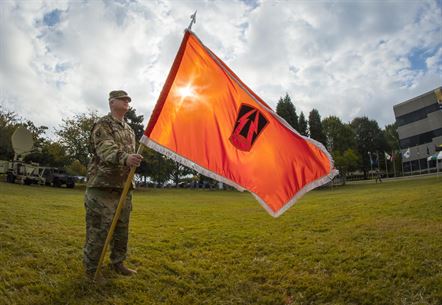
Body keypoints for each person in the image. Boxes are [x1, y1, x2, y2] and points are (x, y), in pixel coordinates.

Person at [83, 90, 143, 280]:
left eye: (128, 100)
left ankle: (118, 263)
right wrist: (125, 158)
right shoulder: (103, 124)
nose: (127, 102)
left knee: (121, 230)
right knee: (99, 230)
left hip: (123, 188)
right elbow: (105, 149)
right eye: (122, 99)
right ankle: (92, 269)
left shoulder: (130, 130)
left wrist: (132, 160)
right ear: (111, 102)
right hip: (102, 187)